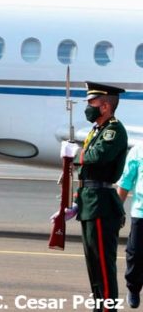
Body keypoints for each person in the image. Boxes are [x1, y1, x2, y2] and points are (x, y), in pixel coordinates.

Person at [60, 81, 128, 309]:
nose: (88, 106)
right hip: (90, 201)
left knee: (103, 263)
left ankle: (108, 307)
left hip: (101, 203)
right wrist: (77, 202)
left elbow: (98, 156)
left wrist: (75, 152)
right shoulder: (96, 130)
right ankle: (100, 304)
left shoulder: (114, 130)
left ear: (106, 106)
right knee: (93, 263)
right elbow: (87, 173)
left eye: (92, 102)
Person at [118, 144, 143, 308]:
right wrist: (117, 210)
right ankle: (133, 288)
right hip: (141, 213)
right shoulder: (138, 150)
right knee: (135, 253)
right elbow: (126, 182)